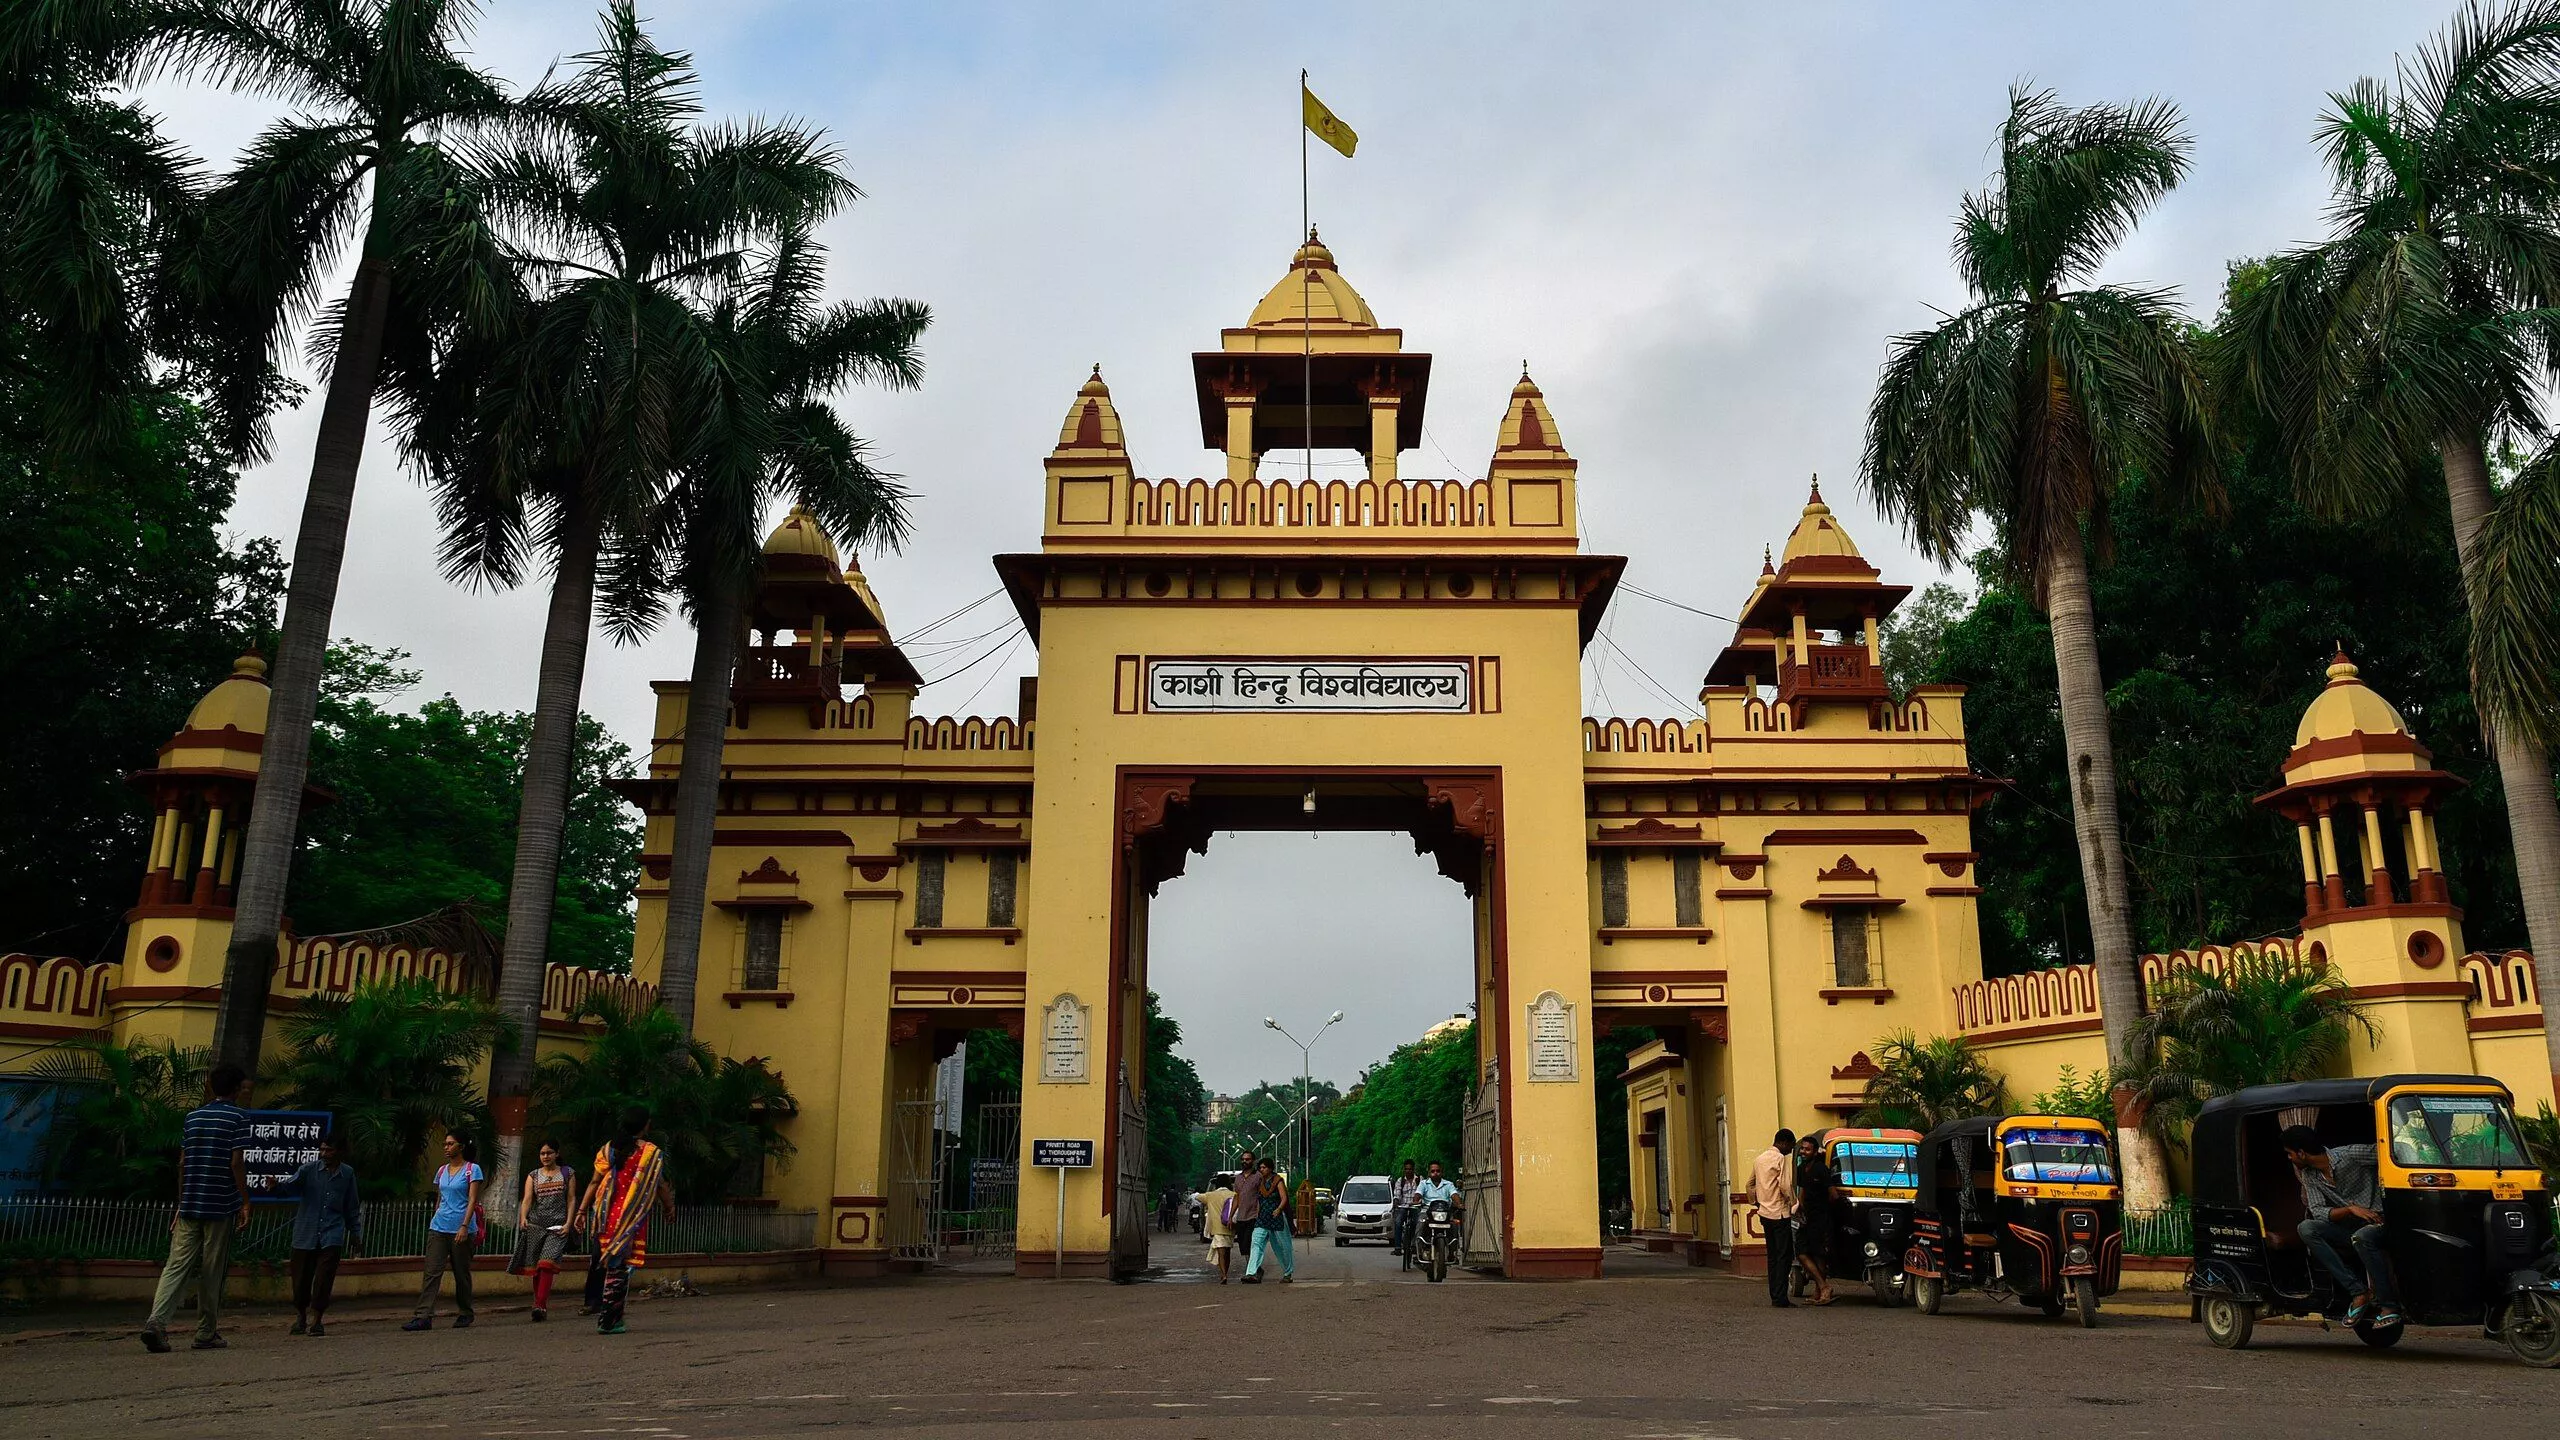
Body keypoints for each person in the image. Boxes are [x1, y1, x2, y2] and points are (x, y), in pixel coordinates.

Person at [140, 1063, 253, 1353]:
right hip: (220, 1204)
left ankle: (157, 1322)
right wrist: (244, 1200)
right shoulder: (239, 1117)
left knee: (175, 1266)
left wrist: (181, 1202)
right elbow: (236, 1163)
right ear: (237, 1089)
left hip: (191, 1201)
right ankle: (205, 1332)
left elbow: (183, 1162)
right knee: (212, 1269)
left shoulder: (193, 1117)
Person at [2281, 1124, 2400, 1327]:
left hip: (2379, 1223)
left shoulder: (2351, 1155)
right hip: (2349, 1228)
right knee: (2307, 1228)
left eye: (2290, 1154)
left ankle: (2389, 1306)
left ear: (2301, 1153)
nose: (2289, 1158)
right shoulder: (2310, 1175)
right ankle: (2358, 1292)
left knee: (2362, 1236)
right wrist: (2350, 1209)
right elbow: (2318, 1210)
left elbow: (2392, 1153)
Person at [586, 1105, 674, 1335]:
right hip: (631, 1218)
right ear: (645, 1125)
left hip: (606, 1217)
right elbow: (660, 1184)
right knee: (620, 1269)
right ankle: (609, 1320)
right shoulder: (651, 1153)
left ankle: (611, 1317)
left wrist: (580, 1211)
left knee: (614, 1267)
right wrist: (669, 1207)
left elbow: (594, 1182)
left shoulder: (610, 1149)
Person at [271, 1131, 363, 1336]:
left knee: (324, 1278)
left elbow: (351, 1206)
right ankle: (300, 1316)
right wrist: (276, 1186)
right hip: (306, 1234)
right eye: (322, 1149)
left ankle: (317, 1319)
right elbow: (289, 1187)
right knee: (301, 1279)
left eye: (329, 1150)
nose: (324, 1153)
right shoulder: (308, 1171)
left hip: (331, 1234)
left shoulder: (347, 1174)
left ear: (340, 1152)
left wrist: (355, 1233)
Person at [404, 1133, 484, 1330]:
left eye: (450, 1144)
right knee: (431, 1271)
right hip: (439, 1227)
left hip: (461, 1228)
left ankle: (465, 1312)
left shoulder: (472, 1170)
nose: (446, 1147)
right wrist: (436, 1216)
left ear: (461, 1146)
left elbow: (472, 1200)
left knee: (461, 1272)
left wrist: (464, 1226)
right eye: (445, 1143)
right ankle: (423, 1316)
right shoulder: (441, 1171)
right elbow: (440, 1198)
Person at [508, 1139, 580, 1322]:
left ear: (557, 1153)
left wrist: (569, 1223)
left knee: (546, 1263)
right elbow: (527, 1199)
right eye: (542, 1153)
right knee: (536, 1267)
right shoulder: (533, 1175)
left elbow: (571, 1199)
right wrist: (523, 1217)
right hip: (536, 1226)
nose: (546, 1157)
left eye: (549, 1153)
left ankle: (540, 1304)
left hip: (558, 1227)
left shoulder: (567, 1173)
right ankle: (538, 1304)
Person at [1752, 1128, 1799, 1308]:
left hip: (1765, 1213)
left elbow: (1750, 1184)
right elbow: (1785, 1185)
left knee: (1772, 1256)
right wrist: (1794, 1204)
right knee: (1784, 1256)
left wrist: (1757, 1202)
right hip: (1779, 1213)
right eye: (1791, 1146)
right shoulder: (1780, 1158)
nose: (1790, 1150)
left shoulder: (1759, 1159)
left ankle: (1774, 1294)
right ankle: (1781, 1297)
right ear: (1784, 1143)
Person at [1791, 1133, 1835, 1305]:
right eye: (1802, 1148)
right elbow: (1802, 1191)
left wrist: (1822, 1209)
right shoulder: (1802, 1169)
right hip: (1806, 1218)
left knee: (1819, 1255)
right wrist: (1800, 1207)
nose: (1803, 1152)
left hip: (1820, 1219)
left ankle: (1821, 1291)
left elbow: (1833, 1194)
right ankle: (1824, 1286)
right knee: (1801, 1252)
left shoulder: (1821, 1169)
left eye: (1807, 1149)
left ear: (1815, 1152)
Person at [1242, 1156, 1295, 1284]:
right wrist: (1257, 1213)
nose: (1262, 1170)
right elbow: (1259, 1199)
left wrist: (1279, 1209)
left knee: (1282, 1247)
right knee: (1256, 1243)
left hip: (1276, 1217)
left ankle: (1288, 1272)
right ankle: (1251, 1272)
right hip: (1262, 1218)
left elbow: (1284, 1198)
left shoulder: (1278, 1181)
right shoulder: (1259, 1182)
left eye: (1264, 1167)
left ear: (1270, 1168)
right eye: (1260, 1167)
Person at [1198, 1171, 1238, 1283]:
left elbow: (1198, 1197)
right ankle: (1226, 1272)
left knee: (1221, 1252)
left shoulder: (1210, 1195)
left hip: (1217, 1228)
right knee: (1228, 1252)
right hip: (1230, 1227)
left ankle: (1223, 1274)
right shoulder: (1234, 1195)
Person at [1387, 1160, 1422, 1256]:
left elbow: (1423, 1192)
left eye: (1410, 1169)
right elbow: (1397, 1195)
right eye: (1406, 1169)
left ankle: (1414, 1245)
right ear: (1404, 1170)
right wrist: (1396, 1202)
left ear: (1413, 1169)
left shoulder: (1420, 1179)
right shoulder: (1400, 1181)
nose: (1408, 1171)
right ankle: (1397, 1247)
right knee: (1398, 1222)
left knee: (1417, 1223)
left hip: (1415, 1206)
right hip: (1403, 1206)